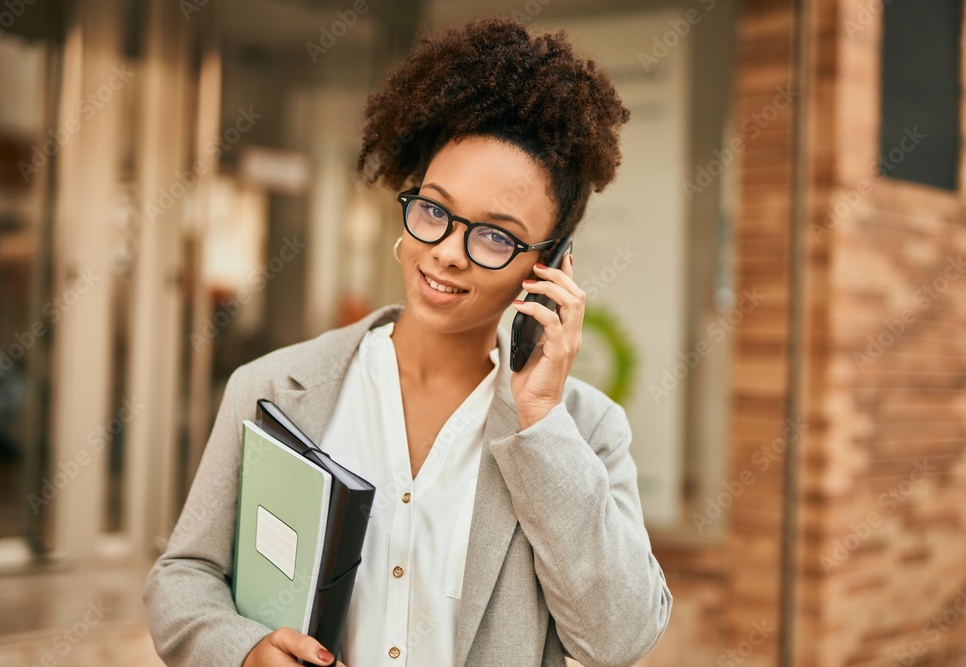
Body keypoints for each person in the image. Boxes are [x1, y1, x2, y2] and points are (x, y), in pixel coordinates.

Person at [143, 14, 672, 667]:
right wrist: (245, 649)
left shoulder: (584, 432)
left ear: (550, 264)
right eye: (434, 209)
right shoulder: (273, 387)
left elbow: (619, 637)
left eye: (495, 235)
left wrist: (539, 422)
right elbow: (183, 575)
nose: (447, 252)